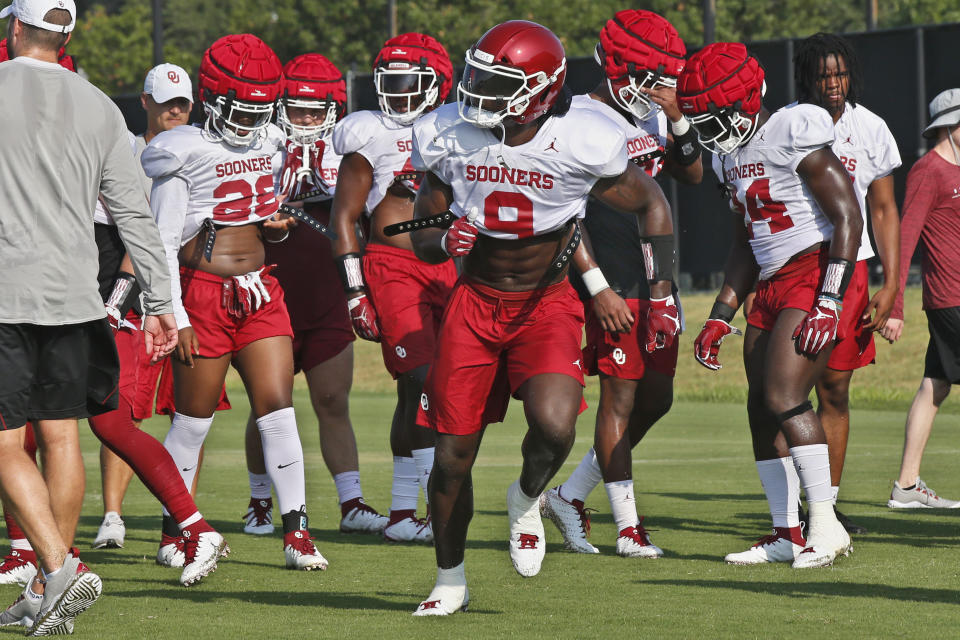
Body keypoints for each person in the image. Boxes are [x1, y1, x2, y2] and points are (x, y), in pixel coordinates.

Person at [409, 20, 678, 615]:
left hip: (546, 302)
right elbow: (422, 236)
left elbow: (653, 203)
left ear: (541, 89)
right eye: (477, 73)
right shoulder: (449, 133)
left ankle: (528, 497)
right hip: (474, 303)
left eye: (496, 81)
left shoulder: (582, 138)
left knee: (556, 428)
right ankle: (450, 579)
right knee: (451, 458)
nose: (476, 90)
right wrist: (442, 239)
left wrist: (659, 293)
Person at [0, 0, 177, 633]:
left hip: (7, 295)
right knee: (61, 436)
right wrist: (161, 303)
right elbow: (136, 217)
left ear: (14, 27)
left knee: (1, 444)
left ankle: (56, 567)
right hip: (77, 297)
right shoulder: (103, 105)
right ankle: (54, 591)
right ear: (66, 34)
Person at [141, 33, 327, 571]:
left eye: (257, 111)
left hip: (261, 289)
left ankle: (296, 533)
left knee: (279, 410)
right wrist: (173, 313)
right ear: (213, 100)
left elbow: (261, 222)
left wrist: (278, 229)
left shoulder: (269, 142)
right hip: (201, 293)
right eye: (237, 110)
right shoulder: (182, 151)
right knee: (192, 422)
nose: (247, 123)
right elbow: (162, 242)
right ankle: (174, 530)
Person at [679, 42, 861, 569]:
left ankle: (827, 528)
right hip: (770, 281)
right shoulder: (725, 156)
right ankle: (786, 532)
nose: (712, 130)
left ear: (746, 100)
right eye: (703, 119)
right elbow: (744, 244)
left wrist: (829, 299)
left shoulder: (792, 129)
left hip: (812, 270)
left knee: (785, 393)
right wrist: (719, 313)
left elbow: (849, 215)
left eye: (718, 115)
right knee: (760, 406)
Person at [541, 9, 702, 559]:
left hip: (654, 276)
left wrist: (678, 118)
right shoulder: (575, 119)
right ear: (616, 68)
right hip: (607, 275)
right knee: (621, 395)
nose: (655, 88)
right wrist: (597, 286)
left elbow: (691, 172)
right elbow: (566, 214)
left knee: (657, 397)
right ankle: (629, 528)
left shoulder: (651, 115)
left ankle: (570, 496)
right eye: (648, 76)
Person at [240, 52, 388, 536]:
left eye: (314, 110)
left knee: (332, 399)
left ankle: (351, 502)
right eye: (296, 108)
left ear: (334, 110)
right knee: (270, 404)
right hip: (274, 293)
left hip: (326, 293)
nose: (303, 119)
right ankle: (260, 502)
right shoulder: (262, 145)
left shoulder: (351, 152)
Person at [330, 33, 454, 543]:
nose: (399, 95)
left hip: (447, 265)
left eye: (412, 84)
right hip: (392, 267)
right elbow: (345, 217)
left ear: (437, 85)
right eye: (391, 84)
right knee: (423, 378)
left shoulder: (455, 126)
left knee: (417, 389)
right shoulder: (368, 132)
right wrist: (356, 291)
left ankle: (403, 515)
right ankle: (436, 506)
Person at [790, 33, 902, 533]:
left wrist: (892, 283)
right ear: (807, 79)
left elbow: (883, 209)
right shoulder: (787, 125)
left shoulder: (870, 128)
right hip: (797, 268)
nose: (833, 84)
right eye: (824, 75)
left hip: (853, 271)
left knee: (835, 390)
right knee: (787, 390)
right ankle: (788, 505)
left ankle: (825, 506)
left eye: (840, 74)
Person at [92, 62, 196, 550]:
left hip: (178, 292)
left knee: (135, 414)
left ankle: (180, 531)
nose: (175, 110)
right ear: (145, 102)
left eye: (183, 103)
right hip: (125, 289)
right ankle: (113, 515)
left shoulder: (199, 153)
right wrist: (115, 299)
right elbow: (131, 232)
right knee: (110, 410)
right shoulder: (126, 150)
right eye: (166, 102)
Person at [883, 88, 960, 509]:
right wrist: (895, 308)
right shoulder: (927, 171)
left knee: (937, 385)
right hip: (950, 298)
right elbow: (905, 238)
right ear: (949, 126)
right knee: (938, 384)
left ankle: (906, 487)